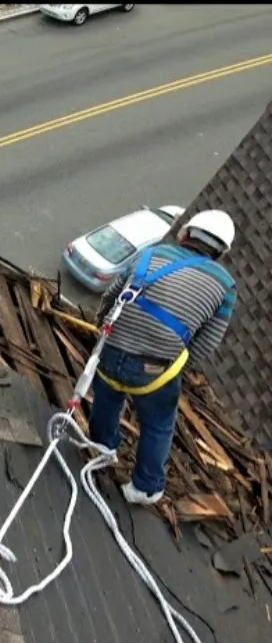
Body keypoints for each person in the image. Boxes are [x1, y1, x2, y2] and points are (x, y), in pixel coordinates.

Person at [89, 209, 237, 505]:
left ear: (185, 234)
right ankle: (145, 487)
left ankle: (101, 447)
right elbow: (207, 343)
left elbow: (113, 296)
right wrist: (174, 362)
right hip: (154, 370)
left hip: (111, 350)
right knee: (158, 423)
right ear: (221, 252)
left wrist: (103, 331)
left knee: (106, 399)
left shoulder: (151, 254)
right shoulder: (225, 286)